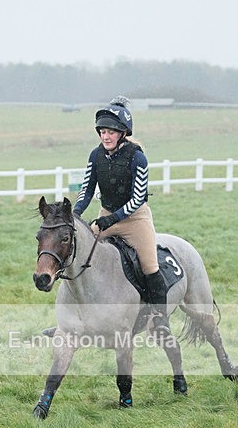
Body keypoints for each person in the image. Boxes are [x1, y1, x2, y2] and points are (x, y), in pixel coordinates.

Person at [73, 97, 170, 331]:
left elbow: (137, 199)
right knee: (78, 256)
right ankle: (74, 317)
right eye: (102, 131)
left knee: (149, 266)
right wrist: (74, 215)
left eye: (111, 132)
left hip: (135, 220)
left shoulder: (138, 157)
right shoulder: (95, 156)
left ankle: (160, 320)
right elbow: (86, 190)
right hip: (105, 215)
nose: (105, 136)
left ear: (123, 133)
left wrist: (112, 218)